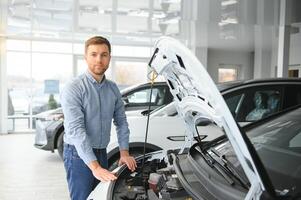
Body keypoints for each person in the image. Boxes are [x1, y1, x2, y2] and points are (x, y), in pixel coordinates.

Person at [61, 36, 137, 200]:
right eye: (94, 54)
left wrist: (124, 152)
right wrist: (95, 167)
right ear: (85, 57)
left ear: (109, 57)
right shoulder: (73, 88)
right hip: (77, 153)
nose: (99, 59)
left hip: (102, 151)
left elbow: (121, 122)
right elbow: (76, 131)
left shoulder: (112, 88)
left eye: (104, 55)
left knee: (102, 197)